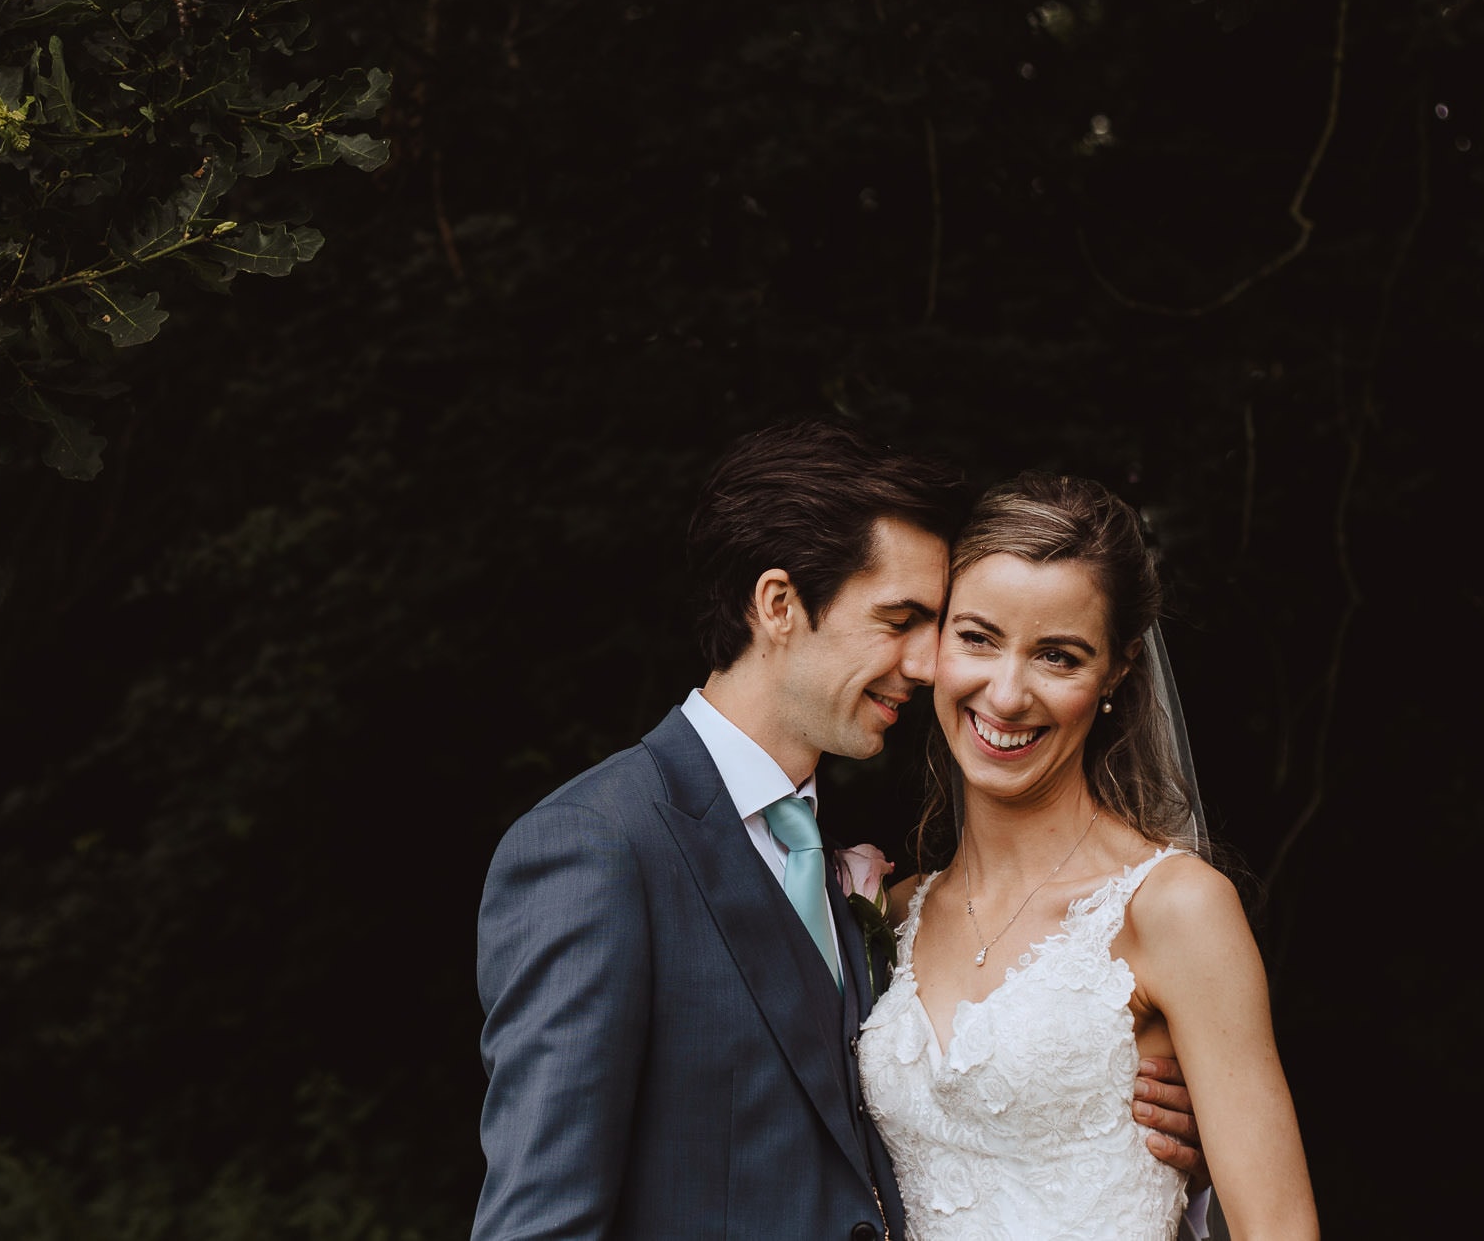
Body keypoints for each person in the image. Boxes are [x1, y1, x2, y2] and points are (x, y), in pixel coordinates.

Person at [472, 425, 1205, 1240]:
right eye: (901, 618)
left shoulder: (855, 878)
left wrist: (1144, 1136)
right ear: (779, 604)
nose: (929, 665)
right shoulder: (596, 847)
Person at [859, 472, 1316, 1239]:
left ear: (1118, 671)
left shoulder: (1173, 908)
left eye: (1058, 656)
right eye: (977, 637)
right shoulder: (891, 911)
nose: (1006, 694)